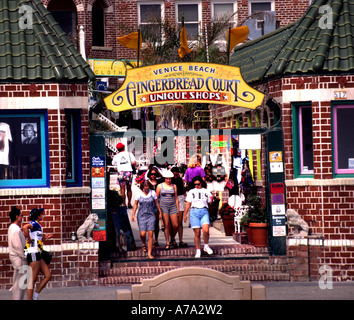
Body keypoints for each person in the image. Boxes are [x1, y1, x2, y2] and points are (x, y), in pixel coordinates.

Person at [23, 208, 53, 300]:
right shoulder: (34, 224)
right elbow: (24, 227)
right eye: (41, 213)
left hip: (38, 253)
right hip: (33, 253)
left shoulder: (39, 226)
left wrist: (44, 238)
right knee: (32, 279)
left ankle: (35, 296)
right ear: (38, 215)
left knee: (48, 275)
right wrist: (28, 238)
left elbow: (37, 239)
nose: (42, 215)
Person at [184, 176, 213, 258]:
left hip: (204, 210)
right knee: (197, 233)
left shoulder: (206, 191)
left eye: (198, 184)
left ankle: (206, 246)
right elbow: (188, 203)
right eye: (195, 184)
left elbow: (210, 203)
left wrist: (212, 199)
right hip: (194, 211)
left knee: (206, 230)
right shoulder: (191, 191)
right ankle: (198, 250)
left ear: (201, 183)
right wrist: (185, 215)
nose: (196, 186)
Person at [131, 181, 162, 259]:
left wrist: (160, 212)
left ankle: (149, 253)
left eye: (148, 189)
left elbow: (156, 203)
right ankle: (143, 243)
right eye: (145, 189)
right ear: (142, 188)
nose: (146, 190)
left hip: (151, 215)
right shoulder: (139, 194)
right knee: (143, 233)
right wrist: (133, 214)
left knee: (151, 233)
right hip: (141, 215)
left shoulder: (153, 193)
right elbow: (135, 204)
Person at [156, 170, 179, 250]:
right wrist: (159, 210)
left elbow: (176, 198)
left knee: (175, 225)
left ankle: (172, 238)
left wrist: (178, 209)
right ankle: (167, 242)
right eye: (167, 179)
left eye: (170, 179)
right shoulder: (160, 186)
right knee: (166, 224)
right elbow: (156, 198)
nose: (168, 180)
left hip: (172, 206)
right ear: (164, 178)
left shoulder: (174, 186)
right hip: (163, 206)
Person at [8, 206, 27, 300]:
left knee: (18, 283)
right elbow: (18, 246)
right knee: (20, 285)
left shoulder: (12, 228)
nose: (22, 217)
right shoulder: (15, 230)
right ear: (16, 217)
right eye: (21, 215)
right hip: (19, 259)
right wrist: (25, 255)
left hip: (16, 259)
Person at [112, 142, 136, 208]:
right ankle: (129, 203)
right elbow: (134, 162)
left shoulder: (116, 156)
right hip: (129, 172)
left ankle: (124, 204)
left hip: (121, 173)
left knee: (122, 189)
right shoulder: (129, 154)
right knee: (129, 188)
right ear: (124, 147)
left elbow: (113, 164)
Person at [146, 167, 163, 247]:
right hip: (149, 203)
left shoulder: (159, 182)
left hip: (157, 203)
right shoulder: (146, 182)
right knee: (150, 223)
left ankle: (156, 239)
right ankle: (151, 240)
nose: (153, 176)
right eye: (152, 174)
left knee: (156, 223)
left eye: (154, 174)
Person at [171, 166, 188, 247]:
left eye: (177, 174)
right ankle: (172, 239)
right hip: (172, 199)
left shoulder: (180, 179)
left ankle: (180, 240)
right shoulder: (170, 180)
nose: (176, 176)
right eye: (174, 174)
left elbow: (183, 189)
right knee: (174, 224)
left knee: (180, 222)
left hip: (180, 197)